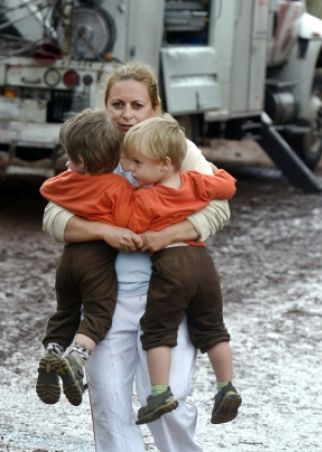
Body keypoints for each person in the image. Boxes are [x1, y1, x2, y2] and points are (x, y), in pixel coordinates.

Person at [41, 62, 231, 452]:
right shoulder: (92, 149)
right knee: (110, 409)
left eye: (137, 105)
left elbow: (217, 208)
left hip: (167, 295)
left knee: (169, 403)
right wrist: (104, 230)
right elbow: (54, 215)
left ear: (155, 108)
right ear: (106, 106)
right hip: (106, 301)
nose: (126, 114)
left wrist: (166, 234)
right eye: (118, 103)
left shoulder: (177, 150)